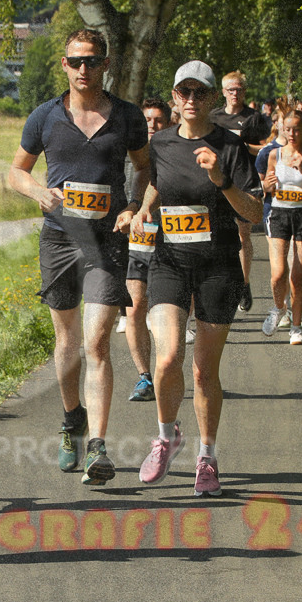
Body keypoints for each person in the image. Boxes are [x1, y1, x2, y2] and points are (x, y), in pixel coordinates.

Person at [8, 28, 149, 485]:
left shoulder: (128, 117)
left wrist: (133, 207)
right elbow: (16, 171)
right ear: (64, 65)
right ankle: (72, 420)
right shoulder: (45, 117)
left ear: (106, 64)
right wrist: (36, 192)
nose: (84, 69)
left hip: (107, 242)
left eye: (92, 61)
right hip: (60, 239)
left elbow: (145, 168)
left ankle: (98, 448)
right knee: (67, 342)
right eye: (76, 61)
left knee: (98, 342)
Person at [119, 60, 262, 496]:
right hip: (170, 263)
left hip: (219, 265)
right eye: (184, 92)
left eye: (201, 92)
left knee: (203, 372)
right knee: (165, 360)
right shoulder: (159, 143)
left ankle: (208, 456)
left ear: (213, 98)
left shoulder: (230, 146)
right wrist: (142, 209)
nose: (192, 100)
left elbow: (254, 213)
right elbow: (156, 182)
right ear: (175, 97)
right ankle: (165, 437)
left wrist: (221, 180)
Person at [260, 111, 302, 345]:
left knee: (297, 278)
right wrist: (266, 186)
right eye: (287, 129)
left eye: (297, 129)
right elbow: (265, 188)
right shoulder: (274, 154)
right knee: (278, 274)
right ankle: (278, 308)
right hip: (279, 214)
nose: (292, 134)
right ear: (282, 129)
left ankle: (296, 327)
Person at [125, 97, 173, 401]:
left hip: (173, 241)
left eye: (158, 120)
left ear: (168, 123)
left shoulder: (179, 153)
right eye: (147, 121)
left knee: (168, 313)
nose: (152, 126)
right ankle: (144, 377)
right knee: (136, 307)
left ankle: (168, 371)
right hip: (138, 241)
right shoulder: (129, 158)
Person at [210, 71, 261, 312]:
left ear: (244, 91)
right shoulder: (214, 117)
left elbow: (265, 148)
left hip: (243, 180)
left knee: (243, 235)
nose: (235, 93)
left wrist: (238, 143)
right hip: (216, 181)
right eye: (230, 89)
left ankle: (245, 282)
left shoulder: (254, 118)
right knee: (215, 235)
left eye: (239, 89)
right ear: (223, 92)